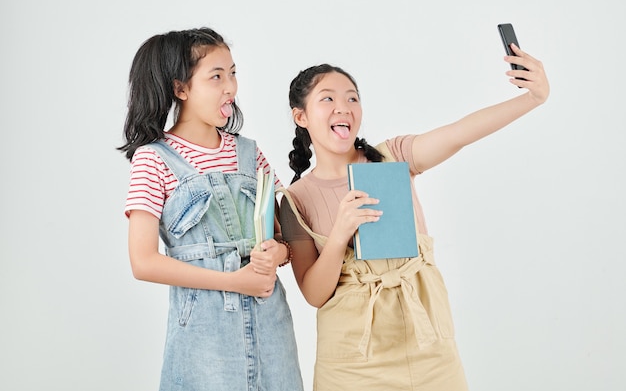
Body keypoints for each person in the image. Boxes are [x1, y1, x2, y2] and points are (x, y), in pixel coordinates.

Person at [278, 44, 549, 390]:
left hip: (428, 344)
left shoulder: (393, 157)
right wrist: (340, 234)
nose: (343, 107)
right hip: (352, 360)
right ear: (301, 116)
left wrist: (532, 99)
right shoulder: (293, 200)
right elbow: (314, 295)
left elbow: (459, 134)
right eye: (327, 99)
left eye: (352, 98)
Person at [118, 27, 303, 391]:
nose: (231, 87)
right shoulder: (153, 160)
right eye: (216, 76)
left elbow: (287, 237)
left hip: (271, 324)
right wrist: (232, 282)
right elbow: (143, 262)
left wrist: (276, 251)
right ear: (180, 88)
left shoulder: (250, 153)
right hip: (203, 336)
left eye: (232, 73)